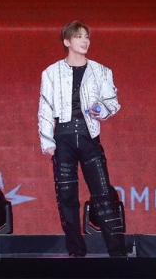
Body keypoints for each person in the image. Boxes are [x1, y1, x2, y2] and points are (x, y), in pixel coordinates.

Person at [38, 21, 127, 257]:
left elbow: (112, 102)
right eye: (79, 37)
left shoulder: (101, 71)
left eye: (86, 36)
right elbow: (45, 108)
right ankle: (76, 252)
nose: (84, 41)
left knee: (103, 194)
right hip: (63, 138)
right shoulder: (51, 72)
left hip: (89, 136)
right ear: (67, 41)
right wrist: (47, 141)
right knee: (67, 197)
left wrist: (101, 109)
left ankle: (118, 252)